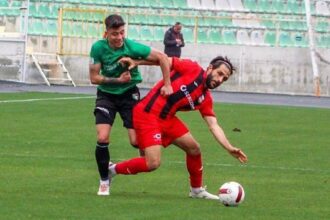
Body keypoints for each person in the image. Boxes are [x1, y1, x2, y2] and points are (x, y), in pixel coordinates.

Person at [108, 55, 248, 199]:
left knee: (194, 148)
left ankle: (196, 190)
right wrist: (137, 62)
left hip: (167, 118)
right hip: (148, 113)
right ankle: (111, 170)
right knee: (152, 163)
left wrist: (229, 147)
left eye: (224, 79)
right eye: (219, 74)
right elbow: (162, 60)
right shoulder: (192, 68)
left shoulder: (205, 98)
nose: (220, 80)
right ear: (210, 68)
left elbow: (213, 125)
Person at [89, 14, 173, 196]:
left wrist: (167, 84)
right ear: (106, 34)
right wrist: (118, 80)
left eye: (121, 33)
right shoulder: (97, 48)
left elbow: (163, 58)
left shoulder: (131, 46)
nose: (119, 37)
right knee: (102, 138)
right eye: (114, 34)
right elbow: (94, 78)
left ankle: (116, 167)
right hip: (106, 95)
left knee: (136, 141)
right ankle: (104, 180)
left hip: (129, 95)